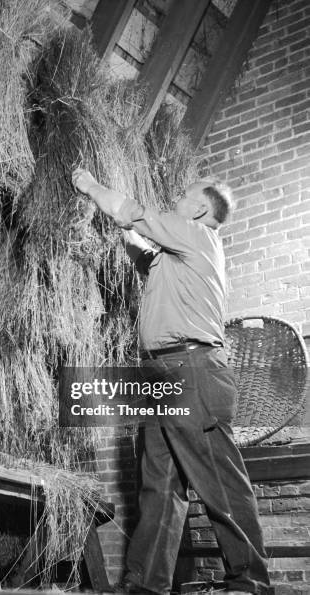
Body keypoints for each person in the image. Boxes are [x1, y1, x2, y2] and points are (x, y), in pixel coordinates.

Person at [71, 169, 270, 595]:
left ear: (199, 209)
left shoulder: (198, 236)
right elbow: (143, 250)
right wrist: (118, 227)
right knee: (158, 484)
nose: (178, 199)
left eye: (184, 196)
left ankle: (250, 582)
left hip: (193, 370)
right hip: (162, 373)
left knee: (220, 483)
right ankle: (146, 584)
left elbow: (137, 216)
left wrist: (89, 185)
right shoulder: (179, 256)